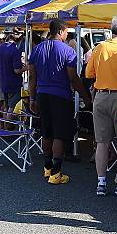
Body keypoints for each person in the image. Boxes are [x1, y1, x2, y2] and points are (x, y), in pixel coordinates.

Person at [28, 19, 92, 185]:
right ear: (61, 31)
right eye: (66, 32)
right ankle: (56, 174)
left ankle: (47, 168)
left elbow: (32, 77)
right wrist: (85, 96)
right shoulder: (68, 51)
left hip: (42, 95)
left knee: (46, 132)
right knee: (59, 134)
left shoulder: (36, 50)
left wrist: (32, 98)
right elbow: (73, 78)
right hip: (60, 96)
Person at [86, 14, 117, 197]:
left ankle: (101, 182)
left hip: (100, 96)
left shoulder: (100, 48)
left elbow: (89, 72)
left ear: (111, 28)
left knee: (102, 142)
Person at [0, 31, 30, 113]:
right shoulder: (15, 50)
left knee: (6, 105)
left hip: (3, 80)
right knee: (12, 107)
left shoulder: (1, 47)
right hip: (13, 83)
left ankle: (4, 124)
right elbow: (17, 71)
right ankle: (9, 125)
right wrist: (27, 67)